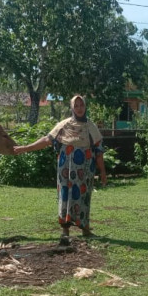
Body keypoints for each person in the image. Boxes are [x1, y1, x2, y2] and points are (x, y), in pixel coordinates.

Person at [14, 95, 107, 242]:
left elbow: (99, 153)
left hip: (85, 171)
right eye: (76, 106)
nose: (79, 108)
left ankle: (85, 228)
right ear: (72, 108)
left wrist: (102, 172)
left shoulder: (91, 127)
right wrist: (25, 148)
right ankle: (65, 229)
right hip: (66, 170)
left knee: (84, 196)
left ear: (85, 106)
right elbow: (46, 140)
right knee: (65, 195)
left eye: (81, 105)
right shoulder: (63, 125)